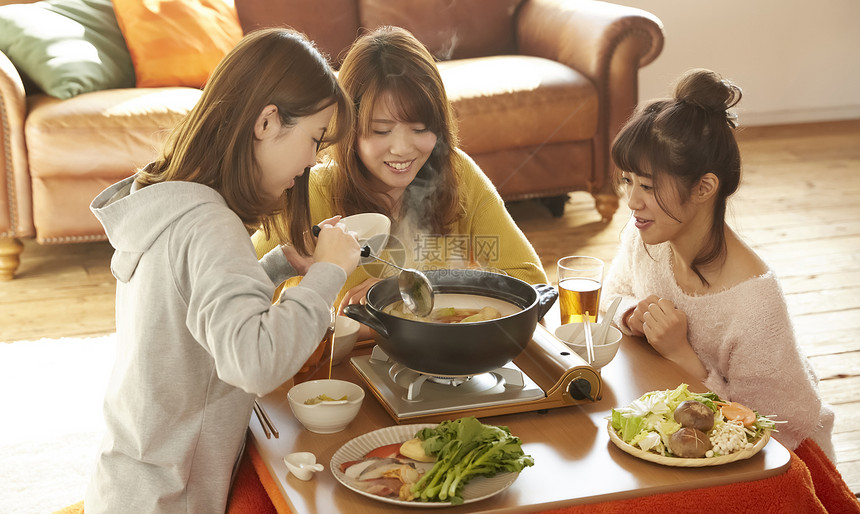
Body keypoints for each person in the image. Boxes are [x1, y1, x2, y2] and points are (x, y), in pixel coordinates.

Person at [85, 28, 361, 512]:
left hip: (127, 486)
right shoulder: (212, 224)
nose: (313, 161)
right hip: (173, 500)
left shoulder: (171, 202)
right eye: (314, 139)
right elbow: (253, 363)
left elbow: (192, 305)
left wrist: (273, 268)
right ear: (268, 122)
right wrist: (329, 275)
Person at [601, 68, 835, 460]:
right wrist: (633, 318)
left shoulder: (754, 302)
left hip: (784, 458)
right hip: (677, 433)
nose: (632, 201)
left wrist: (681, 356)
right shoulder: (646, 235)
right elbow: (614, 294)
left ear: (704, 188)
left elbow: (765, 430)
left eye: (647, 186)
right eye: (627, 181)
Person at [253, 26, 547, 317]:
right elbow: (232, 295)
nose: (403, 149)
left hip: (443, 360)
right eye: (381, 131)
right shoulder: (309, 194)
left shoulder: (456, 174)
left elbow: (531, 281)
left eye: (420, 128)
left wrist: (412, 291)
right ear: (350, 129)